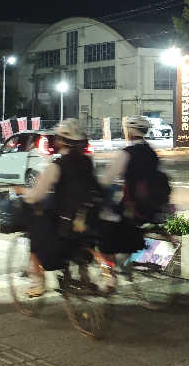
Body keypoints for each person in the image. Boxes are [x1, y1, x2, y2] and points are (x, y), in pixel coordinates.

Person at [21, 119, 106, 297]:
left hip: (64, 226)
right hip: (88, 221)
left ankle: (38, 281)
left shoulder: (56, 166)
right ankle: (83, 273)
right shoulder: (87, 163)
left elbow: (36, 195)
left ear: (61, 141)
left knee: (34, 227)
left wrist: (23, 192)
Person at [98, 115, 169, 256]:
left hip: (132, 205)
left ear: (129, 132)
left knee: (101, 221)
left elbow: (106, 179)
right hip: (152, 203)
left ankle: (111, 270)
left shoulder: (127, 153)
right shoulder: (152, 153)